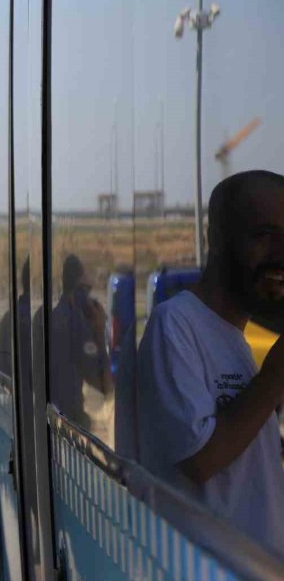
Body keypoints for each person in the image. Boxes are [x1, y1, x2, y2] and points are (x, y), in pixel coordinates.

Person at [136, 170, 284, 555]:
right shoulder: (175, 324)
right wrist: (275, 376)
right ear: (215, 240)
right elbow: (199, 460)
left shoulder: (234, 339)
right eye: (264, 235)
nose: (280, 254)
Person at [49, 254, 112, 429]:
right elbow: (104, 386)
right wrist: (99, 332)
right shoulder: (76, 323)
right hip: (70, 421)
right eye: (85, 290)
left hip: (53, 415)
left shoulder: (51, 317)